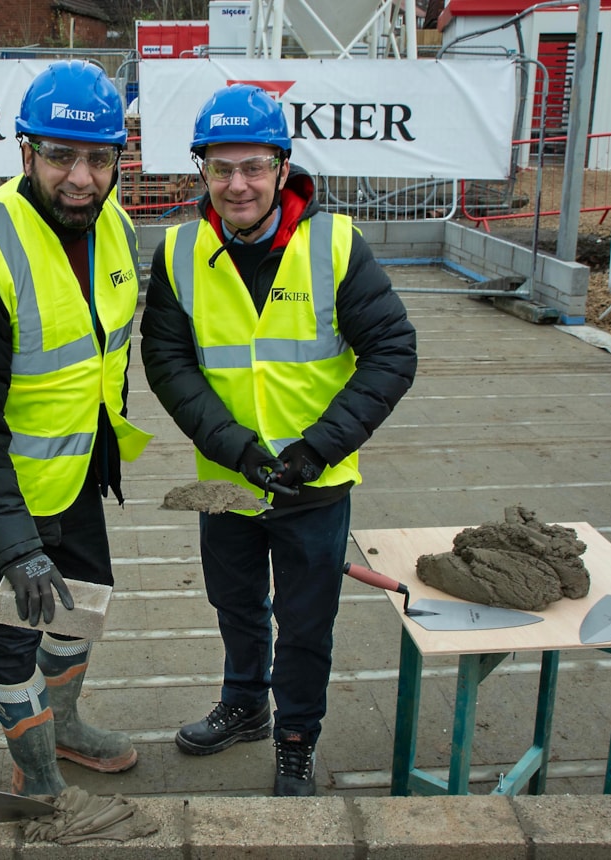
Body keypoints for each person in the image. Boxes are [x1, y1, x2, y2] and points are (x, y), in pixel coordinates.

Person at [139, 84, 417, 796]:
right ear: (200, 169)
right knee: (234, 603)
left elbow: (392, 351)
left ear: (283, 167)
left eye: (254, 167)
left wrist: (318, 447)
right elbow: (168, 362)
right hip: (228, 478)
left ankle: (296, 736)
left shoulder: (336, 246)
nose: (238, 185)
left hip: (313, 484)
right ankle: (245, 705)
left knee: (303, 623)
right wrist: (234, 446)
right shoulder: (177, 252)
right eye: (221, 168)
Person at [0, 60, 152, 796]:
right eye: (60, 156)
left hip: (76, 471)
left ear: (120, 159)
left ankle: (66, 724)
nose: (81, 177)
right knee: (14, 635)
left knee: (84, 609)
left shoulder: (114, 226)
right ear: (26, 153)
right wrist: (16, 548)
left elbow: (103, 355)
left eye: (98, 158)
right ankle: (39, 775)